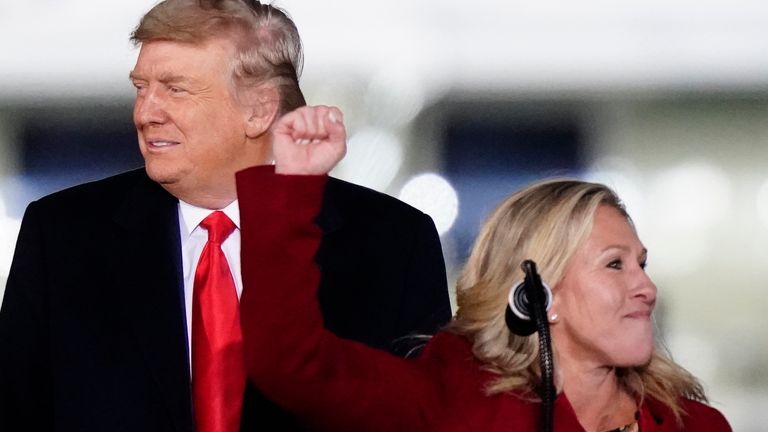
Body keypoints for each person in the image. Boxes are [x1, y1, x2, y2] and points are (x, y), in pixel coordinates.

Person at [0, 1, 450, 431]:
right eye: (141, 88)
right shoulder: (61, 237)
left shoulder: (394, 244)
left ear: (258, 110)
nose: (145, 113)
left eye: (174, 89)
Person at [236, 105, 732, 431]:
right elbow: (292, 362)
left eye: (642, 264)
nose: (645, 286)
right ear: (537, 298)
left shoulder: (697, 424)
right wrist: (294, 187)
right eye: (615, 265)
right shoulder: (452, 405)